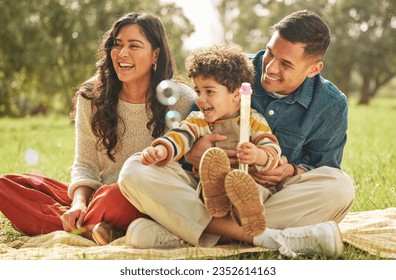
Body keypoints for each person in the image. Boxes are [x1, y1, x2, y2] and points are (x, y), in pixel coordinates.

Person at [118, 10, 355, 258]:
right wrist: (191, 153)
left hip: (269, 195)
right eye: (270, 53)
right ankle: (273, 238)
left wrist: (287, 170)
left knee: (339, 188)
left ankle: (182, 231)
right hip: (206, 191)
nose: (271, 67)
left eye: (286, 64)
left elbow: (323, 166)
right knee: (134, 170)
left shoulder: (331, 105)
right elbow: (190, 127)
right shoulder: (229, 70)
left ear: (314, 68)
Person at [0, 12, 195, 245]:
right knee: (6, 186)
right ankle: (95, 226)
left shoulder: (180, 98)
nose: (122, 53)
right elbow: (85, 164)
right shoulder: (92, 96)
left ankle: (76, 225)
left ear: (155, 54)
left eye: (134, 46)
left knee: (111, 197)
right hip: (99, 195)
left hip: (147, 199)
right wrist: (78, 203)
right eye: (117, 44)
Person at [139, 43, 282, 237]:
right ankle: (217, 199)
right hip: (207, 190)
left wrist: (258, 155)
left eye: (209, 91)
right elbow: (181, 136)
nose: (200, 99)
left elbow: (271, 147)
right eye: (198, 91)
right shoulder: (198, 121)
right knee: (199, 182)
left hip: (251, 184)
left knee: (250, 189)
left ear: (236, 94)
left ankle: (246, 214)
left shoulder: (253, 121)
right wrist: (163, 149)